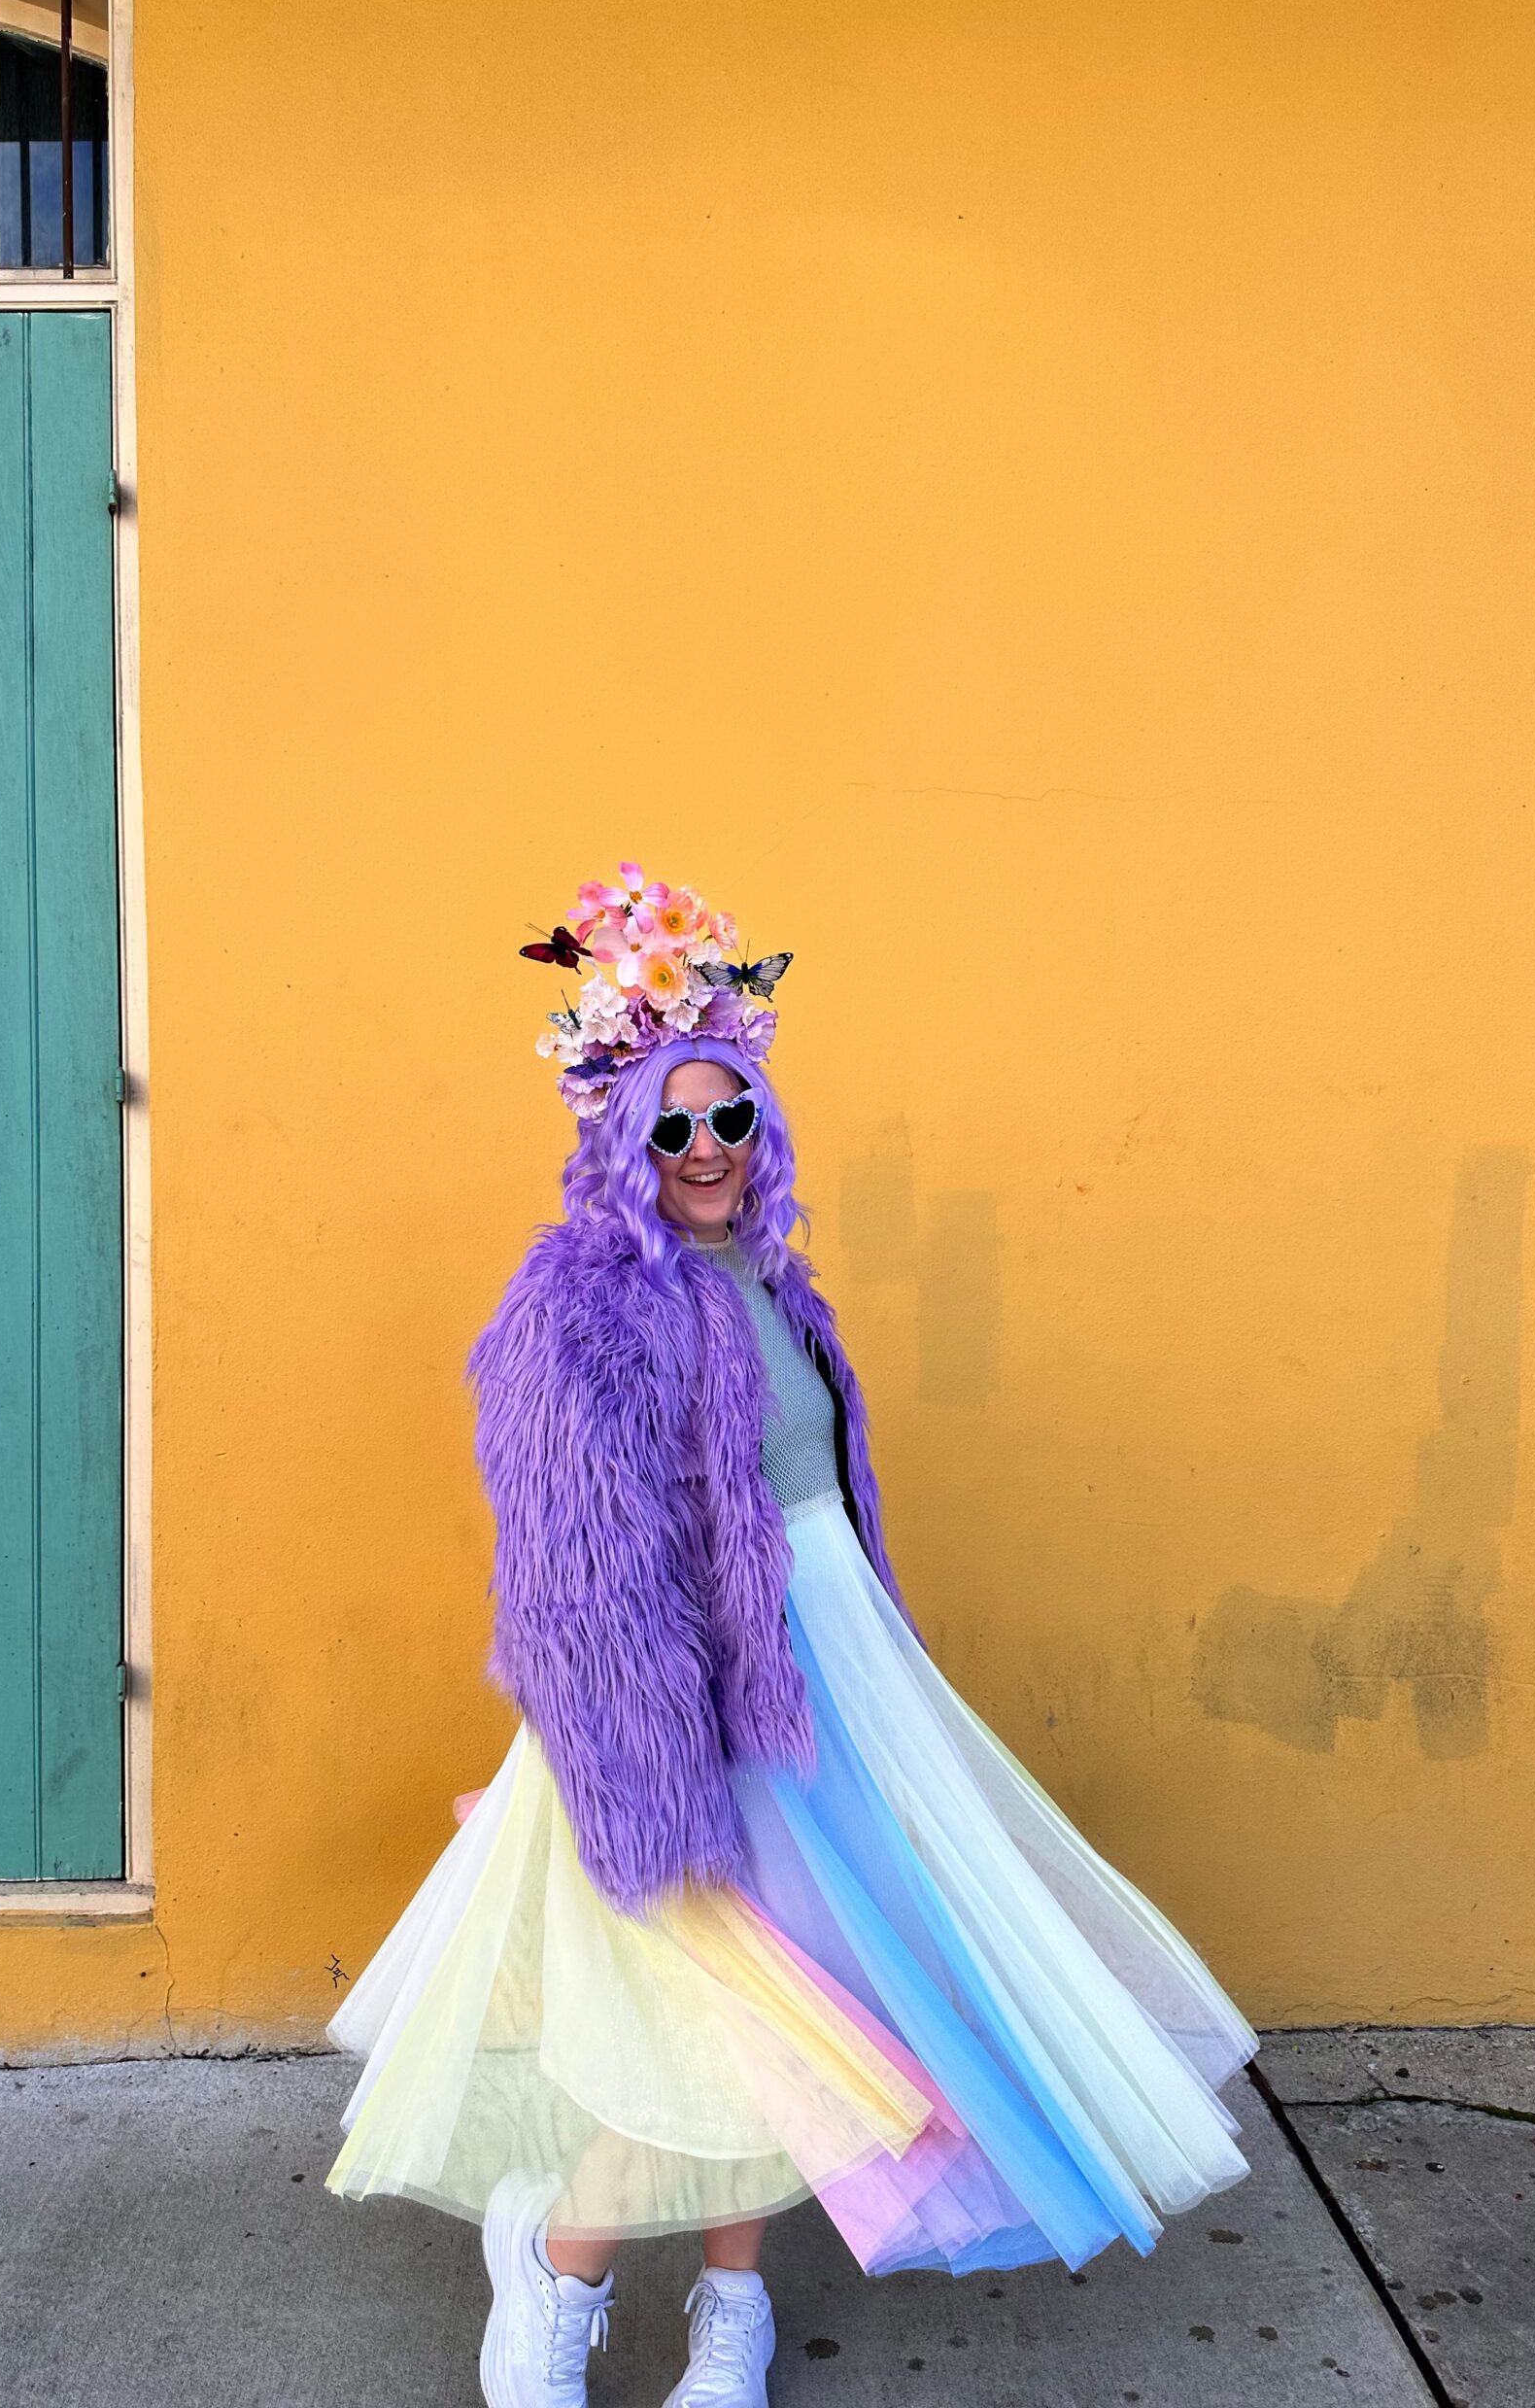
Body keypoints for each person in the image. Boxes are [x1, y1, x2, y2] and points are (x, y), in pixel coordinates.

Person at [326, 863, 1257, 2408]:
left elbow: (820, 1509)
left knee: (806, 2016)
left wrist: (860, 1671)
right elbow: (580, 1575)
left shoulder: (772, 1283)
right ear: (626, 1140)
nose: (705, 1150)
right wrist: (653, 1768)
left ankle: (733, 2306)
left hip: (831, 1688)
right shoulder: (584, 1306)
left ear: (764, 1127)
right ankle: (559, 2267)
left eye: (731, 1117)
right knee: (726, 2016)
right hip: (680, 1708)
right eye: (673, 1125)